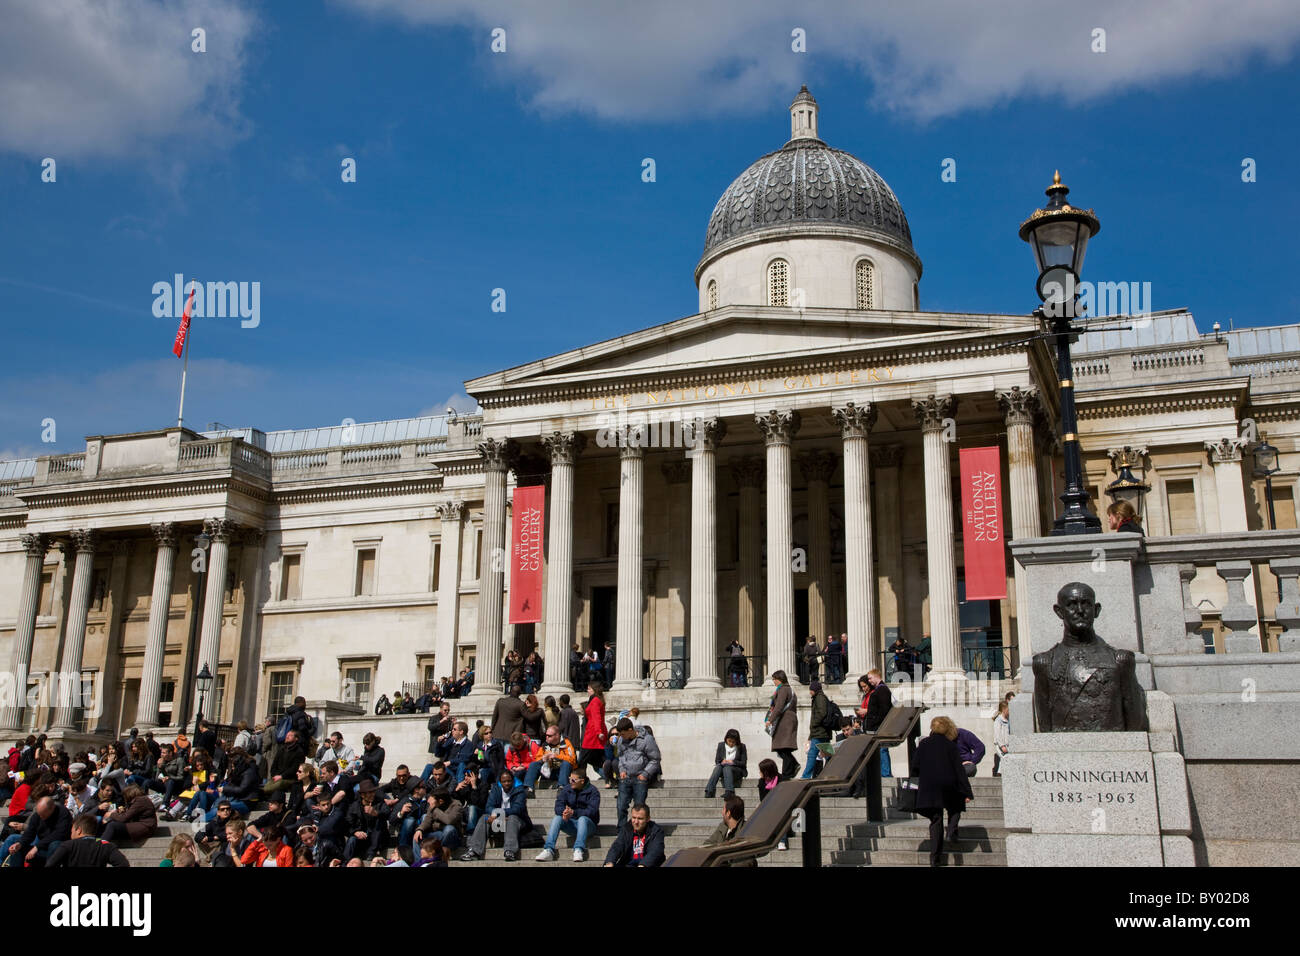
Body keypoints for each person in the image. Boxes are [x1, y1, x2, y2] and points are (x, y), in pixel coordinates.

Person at [914, 716, 974, 866]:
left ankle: (935, 858)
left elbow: (915, 766)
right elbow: (959, 771)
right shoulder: (950, 746)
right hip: (948, 786)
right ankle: (952, 830)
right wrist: (967, 792)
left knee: (936, 821)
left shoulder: (924, 744)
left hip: (929, 787)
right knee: (956, 805)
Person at [459, 770, 532, 863]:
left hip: (518, 821)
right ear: (500, 782)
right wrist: (498, 816)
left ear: (513, 781)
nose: (507, 783)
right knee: (484, 817)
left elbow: (517, 809)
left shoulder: (520, 791)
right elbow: (488, 806)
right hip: (498, 820)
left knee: (512, 818)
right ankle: (474, 851)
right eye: (504, 781)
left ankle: (510, 851)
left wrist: (499, 814)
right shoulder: (495, 789)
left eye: (509, 781)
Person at [534, 769, 600, 862]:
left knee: (583, 819)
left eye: (573, 780)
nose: (570, 782)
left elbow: (592, 811)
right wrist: (564, 812)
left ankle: (578, 849)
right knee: (557, 818)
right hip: (572, 823)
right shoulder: (567, 789)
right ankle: (548, 850)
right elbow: (558, 805)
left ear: (582, 781)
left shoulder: (593, 791)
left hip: (588, 825)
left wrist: (574, 813)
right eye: (570, 779)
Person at [613, 717, 661, 828]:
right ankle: (622, 831)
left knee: (639, 807)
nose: (621, 737)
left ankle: (639, 831)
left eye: (623, 734)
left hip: (640, 778)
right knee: (621, 806)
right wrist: (622, 770)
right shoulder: (621, 741)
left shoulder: (646, 740)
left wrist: (645, 774)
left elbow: (655, 759)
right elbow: (620, 757)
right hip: (626, 777)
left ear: (631, 730)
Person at [1, 796, 71, 867]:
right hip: (41, 846)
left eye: (43, 814)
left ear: (52, 809)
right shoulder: (38, 814)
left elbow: (59, 834)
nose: (40, 817)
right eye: (39, 814)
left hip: (55, 848)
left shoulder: (63, 813)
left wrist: (37, 847)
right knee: (17, 847)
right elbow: (30, 833)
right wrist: (20, 843)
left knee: (54, 844)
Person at [46, 814, 130, 867]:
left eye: (72, 831)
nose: (71, 834)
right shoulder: (105, 845)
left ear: (79, 830)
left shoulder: (68, 845)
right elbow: (124, 864)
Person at [856, 669, 894, 777]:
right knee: (879, 751)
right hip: (875, 726)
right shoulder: (879, 690)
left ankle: (886, 774)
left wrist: (875, 721)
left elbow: (884, 710)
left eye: (870, 678)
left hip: (879, 726)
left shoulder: (882, 690)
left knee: (882, 750)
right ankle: (883, 773)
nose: (869, 681)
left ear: (876, 676)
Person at [603, 803, 664, 868]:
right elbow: (617, 846)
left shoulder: (656, 831)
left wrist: (644, 864)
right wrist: (610, 861)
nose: (636, 822)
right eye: (634, 818)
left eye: (640, 819)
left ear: (648, 819)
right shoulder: (626, 828)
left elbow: (655, 851)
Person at [702, 794, 756, 866]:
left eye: (723, 809)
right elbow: (707, 844)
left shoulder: (745, 832)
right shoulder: (723, 827)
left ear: (728, 813)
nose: (722, 812)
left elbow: (745, 860)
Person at [765, 670, 799, 780]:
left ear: (780, 679)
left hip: (785, 721)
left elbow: (779, 706)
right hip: (787, 719)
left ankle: (789, 770)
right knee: (784, 748)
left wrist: (770, 719)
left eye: (774, 679)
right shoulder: (788, 689)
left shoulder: (783, 690)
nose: (773, 681)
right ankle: (787, 772)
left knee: (783, 748)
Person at [414, 785, 464, 853]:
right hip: (438, 834)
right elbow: (428, 820)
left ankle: (440, 853)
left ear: (441, 801)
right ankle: (419, 862)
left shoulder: (456, 805)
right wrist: (420, 829)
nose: (429, 801)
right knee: (417, 836)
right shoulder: (434, 804)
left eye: (432, 799)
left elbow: (449, 820)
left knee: (449, 829)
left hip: (452, 837)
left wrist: (435, 809)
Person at [800, 681, 834, 779]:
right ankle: (831, 773)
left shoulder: (819, 698)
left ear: (814, 690)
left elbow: (821, 713)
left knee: (812, 754)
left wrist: (814, 724)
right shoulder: (820, 697)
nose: (809, 692)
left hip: (819, 732)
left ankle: (806, 776)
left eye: (810, 690)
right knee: (828, 755)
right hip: (822, 732)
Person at [530, 725, 578, 790]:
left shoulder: (566, 743)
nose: (546, 737)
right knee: (534, 764)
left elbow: (573, 760)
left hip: (563, 772)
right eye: (546, 735)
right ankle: (529, 788)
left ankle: (561, 787)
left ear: (557, 735)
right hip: (548, 771)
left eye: (549, 736)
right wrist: (543, 759)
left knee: (566, 764)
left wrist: (557, 756)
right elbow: (537, 759)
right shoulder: (544, 745)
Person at [705, 729, 747, 799]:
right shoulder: (721, 745)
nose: (731, 743)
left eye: (733, 742)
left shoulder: (741, 747)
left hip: (736, 771)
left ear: (737, 741)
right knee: (718, 767)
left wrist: (733, 762)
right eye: (729, 741)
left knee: (727, 767)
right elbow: (717, 761)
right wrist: (722, 762)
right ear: (726, 739)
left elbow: (743, 763)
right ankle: (709, 791)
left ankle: (729, 791)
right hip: (723, 770)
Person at [579, 681, 608, 779]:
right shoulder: (598, 700)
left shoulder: (595, 700)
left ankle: (580, 779)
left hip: (592, 734)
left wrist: (598, 732)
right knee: (597, 760)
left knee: (583, 759)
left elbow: (596, 717)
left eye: (589, 689)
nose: (587, 691)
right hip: (594, 732)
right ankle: (609, 776)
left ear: (594, 690)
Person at [992, 700, 1011, 777]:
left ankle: (1000, 773)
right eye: (1008, 709)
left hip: (1007, 744)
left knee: (1004, 759)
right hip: (1000, 745)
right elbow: (998, 735)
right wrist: (1002, 746)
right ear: (1004, 709)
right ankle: (999, 774)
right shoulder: (998, 721)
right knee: (1005, 757)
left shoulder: (1007, 720)